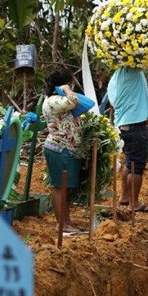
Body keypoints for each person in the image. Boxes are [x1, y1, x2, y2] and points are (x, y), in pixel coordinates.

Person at [107, 68, 148, 213]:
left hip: (123, 125)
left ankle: (125, 196)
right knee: (137, 166)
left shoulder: (115, 77)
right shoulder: (132, 71)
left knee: (130, 161)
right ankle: (134, 203)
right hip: (135, 126)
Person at [42, 67, 83, 232]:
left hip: (67, 148)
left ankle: (67, 221)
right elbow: (74, 101)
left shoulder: (57, 99)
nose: (72, 87)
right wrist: (66, 88)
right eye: (70, 83)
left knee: (65, 187)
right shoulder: (53, 100)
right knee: (59, 186)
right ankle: (61, 224)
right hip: (59, 148)